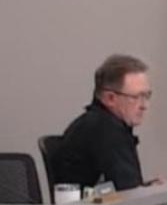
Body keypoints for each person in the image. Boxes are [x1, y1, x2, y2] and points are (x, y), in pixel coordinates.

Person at [51, 54, 156, 191]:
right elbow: (128, 193)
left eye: (146, 96)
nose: (144, 105)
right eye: (136, 97)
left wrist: (148, 188)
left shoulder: (96, 123)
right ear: (110, 98)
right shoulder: (106, 131)